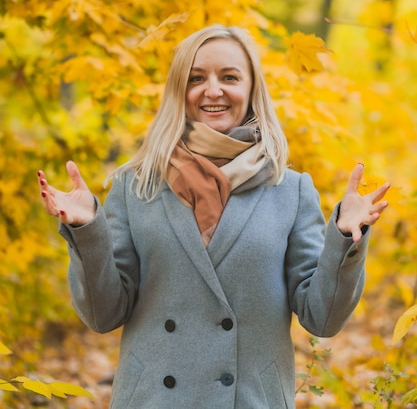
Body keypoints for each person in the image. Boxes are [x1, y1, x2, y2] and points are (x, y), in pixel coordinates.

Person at [38, 24, 390, 409]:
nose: (213, 90)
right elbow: (103, 315)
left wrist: (344, 238)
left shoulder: (290, 190)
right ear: (179, 91)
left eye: (230, 77)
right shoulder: (135, 186)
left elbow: (322, 319)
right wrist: (86, 230)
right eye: (197, 78)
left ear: (252, 88)